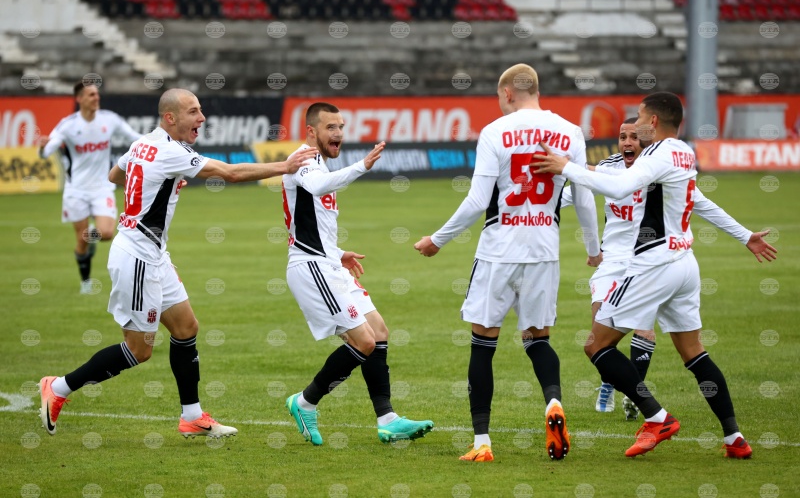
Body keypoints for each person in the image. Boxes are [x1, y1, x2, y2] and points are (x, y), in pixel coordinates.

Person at [38, 88, 318, 438]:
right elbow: (229, 173)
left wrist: (146, 189)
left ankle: (192, 416)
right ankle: (59, 387)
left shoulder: (144, 143)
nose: (202, 117)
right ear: (170, 118)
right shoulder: (170, 151)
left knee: (186, 328)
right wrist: (285, 166)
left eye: (200, 110)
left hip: (153, 253)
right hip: (137, 257)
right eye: (193, 111)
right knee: (139, 350)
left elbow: (114, 175)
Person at [532, 91, 777, 458]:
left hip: (653, 264)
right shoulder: (683, 152)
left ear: (654, 121)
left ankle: (657, 417)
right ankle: (734, 438)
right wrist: (744, 235)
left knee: (596, 345)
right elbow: (695, 199)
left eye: (642, 117)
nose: (638, 123)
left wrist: (565, 167)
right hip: (684, 264)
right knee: (694, 353)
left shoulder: (659, 154)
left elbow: (619, 186)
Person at [414, 64, 601, 462]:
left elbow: (477, 201)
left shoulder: (495, 132)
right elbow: (585, 198)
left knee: (483, 344)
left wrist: (437, 240)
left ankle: (482, 443)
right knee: (538, 338)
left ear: (508, 93)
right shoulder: (570, 132)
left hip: (498, 250)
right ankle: (553, 404)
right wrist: (593, 248)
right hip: (544, 250)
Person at [283, 102, 434, 446]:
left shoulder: (319, 163)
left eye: (340, 127)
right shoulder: (303, 160)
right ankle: (304, 402)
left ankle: (388, 420)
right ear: (311, 132)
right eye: (330, 127)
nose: (338, 133)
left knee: (378, 332)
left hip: (329, 263)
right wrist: (362, 165)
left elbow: (310, 222)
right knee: (363, 342)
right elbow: (319, 187)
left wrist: (339, 253)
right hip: (310, 266)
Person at [39, 82, 143, 294]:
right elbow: (47, 151)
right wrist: (42, 147)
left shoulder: (109, 119)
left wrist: (158, 143)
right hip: (76, 190)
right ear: (79, 99)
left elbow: (135, 138)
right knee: (81, 240)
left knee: (106, 232)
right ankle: (86, 282)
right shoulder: (68, 125)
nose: (96, 98)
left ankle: (92, 240)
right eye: (91, 95)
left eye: (97, 94)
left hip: (102, 187)